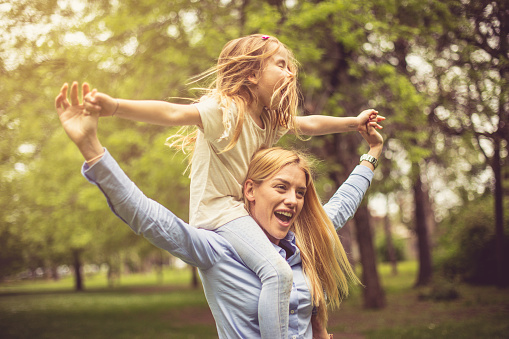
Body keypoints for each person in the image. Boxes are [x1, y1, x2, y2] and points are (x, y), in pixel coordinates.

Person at [77, 33, 384, 339]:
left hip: (237, 212)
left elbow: (309, 125)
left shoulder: (269, 121)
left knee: (280, 270)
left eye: (291, 66)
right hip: (218, 212)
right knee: (277, 273)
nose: (290, 72)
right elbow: (171, 113)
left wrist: (355, 126)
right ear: (252, 73)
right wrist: (114, 107)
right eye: (280, 64)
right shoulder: (224, 113)